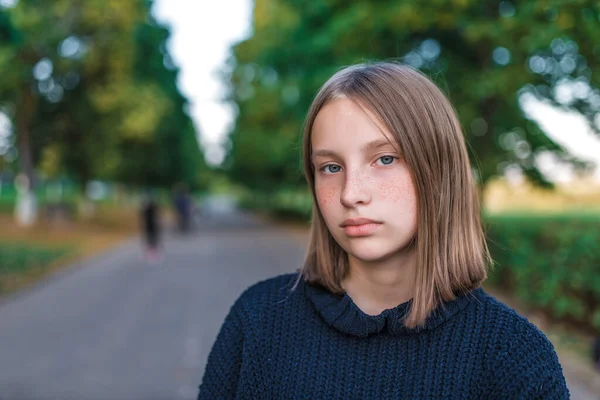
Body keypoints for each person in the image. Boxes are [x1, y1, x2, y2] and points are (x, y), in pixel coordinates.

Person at [197, 62, 569, 399]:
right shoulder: (258, 320)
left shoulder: (514, 356)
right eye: (330, 167)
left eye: (385, 159)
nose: (350, 193)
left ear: (438, 171)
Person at [140, 191, 161, 262]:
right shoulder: (146, 206)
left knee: (153, 238)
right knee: (150, 238)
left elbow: (157, 215)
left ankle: (153, 251)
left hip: (152, 225)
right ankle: (151, 251)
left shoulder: (152, 206)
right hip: (149, 225)